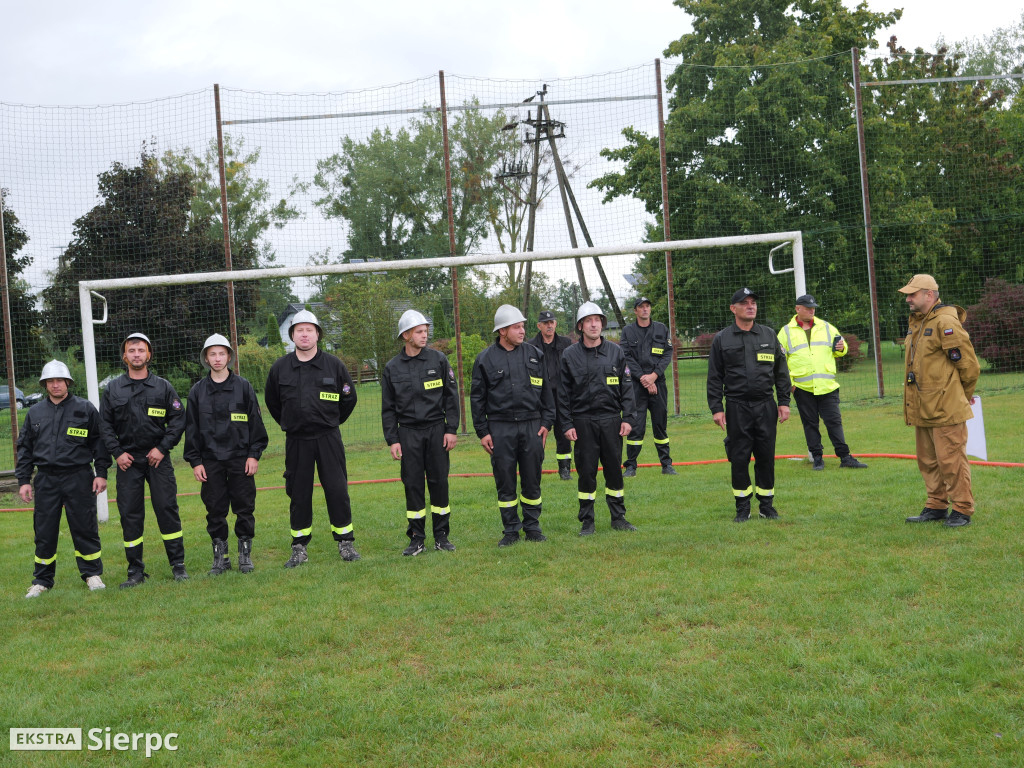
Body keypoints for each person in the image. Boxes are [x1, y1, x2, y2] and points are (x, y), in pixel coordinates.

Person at [265, 310, 360, 566]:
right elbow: (273, 403)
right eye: (299, 330)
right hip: (297, 441)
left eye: (309, 329)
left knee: (337, 490)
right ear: (292, 335)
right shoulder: (280, 368)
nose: (304, 334)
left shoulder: (334, 365)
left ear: (318, 334)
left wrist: (331, 421)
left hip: (328, 437)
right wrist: (292, 423)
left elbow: (348, 398)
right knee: (298, 494)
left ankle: (345, 543)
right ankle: (299, 547)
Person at [99, 332, 188, 586]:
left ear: (148, 354)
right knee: (130, 514)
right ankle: (135, 571)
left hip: (158, 459)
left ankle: (178, 565)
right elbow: (104, 425)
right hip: (128, 462)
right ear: (124, 355)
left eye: (141, 350)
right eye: (131, 350)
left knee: (167, 509)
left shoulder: (163, 387)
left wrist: (162, 448)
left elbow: (178, 420)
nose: (136, 354)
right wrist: (117, 452)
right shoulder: (113, 389)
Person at [18, 361, 110, 598]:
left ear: (68, 382)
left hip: (79, 477)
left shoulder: (85, 409)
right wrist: (24, 480)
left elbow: (99, 443)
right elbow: (25, 448)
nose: (55, 385)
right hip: (46, 479)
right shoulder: (35, 412)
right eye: (50, 381)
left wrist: (101, 473)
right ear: (45, 384)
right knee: (44, 530)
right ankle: (42, 580)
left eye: (59, 380)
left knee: (85, 526)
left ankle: (92, 575)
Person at [898, 274, 980, 528]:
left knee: (951, 460)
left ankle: (962, 509)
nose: (908, 299)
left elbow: (969, 366)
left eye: (913, 294)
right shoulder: (918, 322)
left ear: (929, 295)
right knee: (928, 460)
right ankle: (936, 506)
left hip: (945, 407)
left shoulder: (945, 322)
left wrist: (960, 396)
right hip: (923, 405)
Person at [183, 334, 269, 575]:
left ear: (229, 357)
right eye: (213, 354)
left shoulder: (243, 387)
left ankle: (244, 555)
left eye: (222, 353)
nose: (218, 358)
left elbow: (256, 424)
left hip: (241, 459)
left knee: (244, 507)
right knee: (215, 509)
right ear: (206, 359)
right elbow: (191, 430)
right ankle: (220, 558)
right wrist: (195, 461)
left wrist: (254, 455)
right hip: (210, 461)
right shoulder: (197, 391)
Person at [471, 304, 555, 547]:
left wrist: (547, 424)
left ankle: (532, 527)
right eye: (516, 327)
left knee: (532, 478)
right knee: (505, 480)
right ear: (502, 331)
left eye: (522, 326)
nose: (522, 331)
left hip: (532, 426)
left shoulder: (534, 354)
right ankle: (510, 531)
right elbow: (477, 399)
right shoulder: (485, 359)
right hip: (500, 428)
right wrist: (483, 432)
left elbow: (548, 393)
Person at [706, 288, 791, 522]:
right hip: (736, 406)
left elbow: (781, 372)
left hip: (766, 405)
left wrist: (783, 402)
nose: (750, 306)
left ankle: (766, 505)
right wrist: (717, 408)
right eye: (744, 303)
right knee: (739, 456)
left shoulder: (768, 335)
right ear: (733, 309)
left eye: (753, 302)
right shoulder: (722, 339)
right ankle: (742, 507)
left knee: (766, 455)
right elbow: (714, 377)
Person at [381, 310, 459, 556]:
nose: (424, 336)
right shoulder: (392, 368)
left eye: (426, 331)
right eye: (419, 332)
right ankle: (416, 538)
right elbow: (388, 408)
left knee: (439, 483)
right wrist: (393, 439)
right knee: (413, 485)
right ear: (406, 335)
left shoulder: (438, 360)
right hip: (409, 434)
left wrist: (451, 430)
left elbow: (451, 398)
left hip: (437, 431)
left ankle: (442, 536)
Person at [558, 301, 639, 536]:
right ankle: (587, 521)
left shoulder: (616, 352)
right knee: (586, 471)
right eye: (589, 321)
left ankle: (618, 517)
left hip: (612, 421)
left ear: (602, 324)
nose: (594, 324)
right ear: (581, 326)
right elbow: (562, 394)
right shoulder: (569, 355)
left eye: (598, 320)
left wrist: (628, 418)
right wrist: (566, 423)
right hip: (583, 422)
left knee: (614, 469)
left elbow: (627, 388)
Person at [777, 294, 867, 471]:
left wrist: (843, 348)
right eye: (808, 307)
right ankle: (817, 458)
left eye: (813, 307)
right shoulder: (785, 332)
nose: (812, 310)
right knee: (810, 424)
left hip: (827, 387)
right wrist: (792, 385)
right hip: (802, 388)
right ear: (797, 309)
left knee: (834, 422)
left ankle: (845, 457)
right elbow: (780, 362)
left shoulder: (827, 327)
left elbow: (840, 349)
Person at [621, 297, 676, 476]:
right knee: (636, 426)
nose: (645, 309)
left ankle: (666, 465)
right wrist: (644, 378)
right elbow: (626, 357)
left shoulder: (661, 329)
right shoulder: (628, 331)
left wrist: (653, 376)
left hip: (657, 383)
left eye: (647, 306)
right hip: (637, 386)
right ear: (635, 311)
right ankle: (631, 466)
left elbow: (667, 354)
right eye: (641, 307)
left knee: (660, 424)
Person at [529, 310, 574, 480]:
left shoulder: (566, 343)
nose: (549, 325)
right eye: (545, 323)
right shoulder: (531, 346)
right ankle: (534, 468)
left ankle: (564, 470)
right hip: (540, 397)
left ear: (556, 324)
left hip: (562, 395)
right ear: (539, 326)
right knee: (538, 433)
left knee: (564, 433)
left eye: (552, 322)